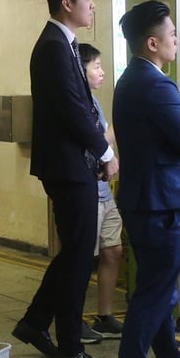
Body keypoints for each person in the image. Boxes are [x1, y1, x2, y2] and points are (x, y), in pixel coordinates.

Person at [11, 0, 116, 358]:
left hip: (69, 163)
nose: (93, 3)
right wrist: (105, 151)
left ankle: (36, 322)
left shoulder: (63, 43)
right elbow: (74, 108)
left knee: (74, 252)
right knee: (77, 257)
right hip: (68, 164)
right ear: (67, 3)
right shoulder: (55, 46)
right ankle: (70, 348)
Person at [109, 0, 180, 358]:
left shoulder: (129, 79)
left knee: (158, 288)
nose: (177, 39)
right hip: (160, 201)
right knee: (154, 292)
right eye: (172, 34)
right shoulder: (158, 84)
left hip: (141, 196)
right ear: (152, 42)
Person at [77, 43, 124, 339]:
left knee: (113, 250)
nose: (102, 72)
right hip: (87, 191)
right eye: (95, 66)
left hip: (104, 191)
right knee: (82, 258)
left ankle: (104, 315)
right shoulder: (77, 105)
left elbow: (102, 139)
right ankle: (74, 318)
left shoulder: (94, 102)